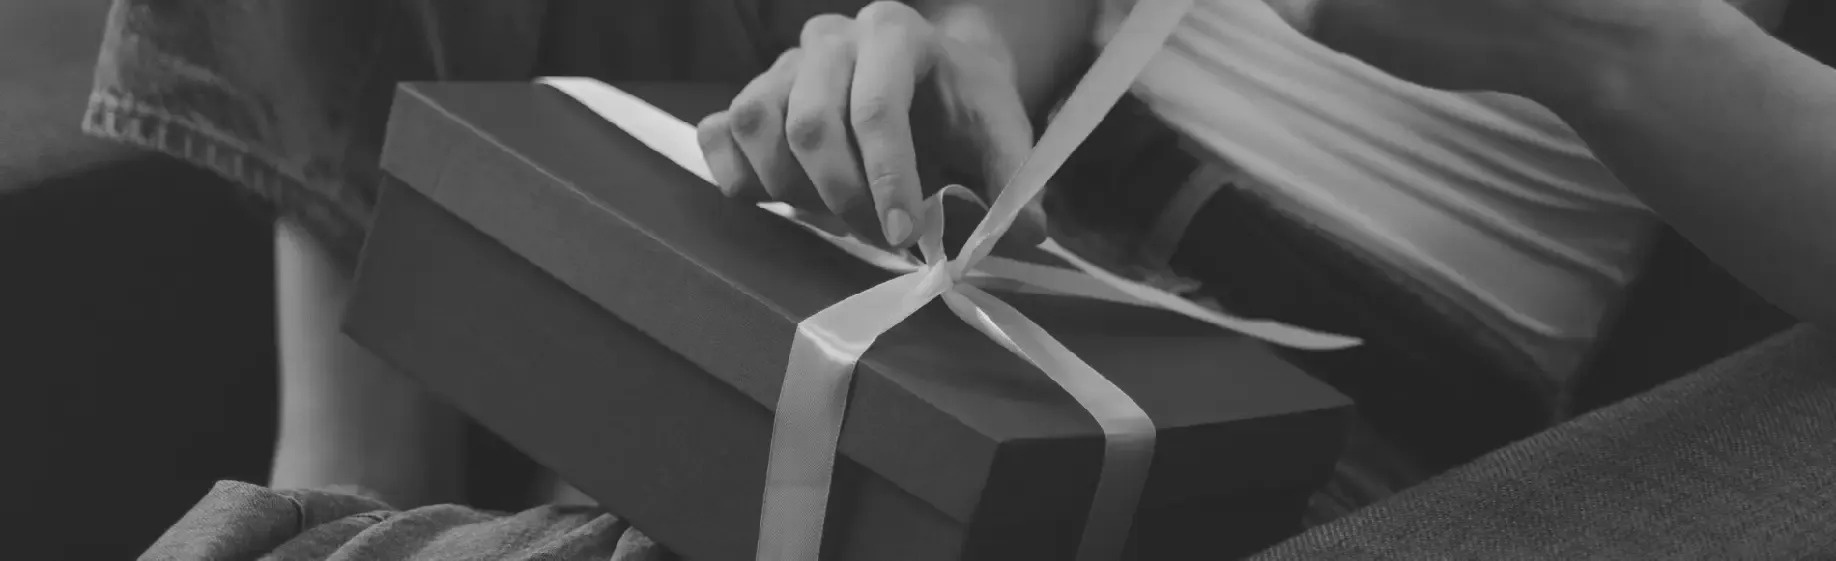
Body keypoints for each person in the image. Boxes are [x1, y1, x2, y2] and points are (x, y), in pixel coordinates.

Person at [112, 0, 1831, 559]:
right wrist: (911, 51)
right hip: (1007, 254)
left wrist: (1612, 43)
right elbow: (1004, 36)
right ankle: (351, 481)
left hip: (1303, 409)